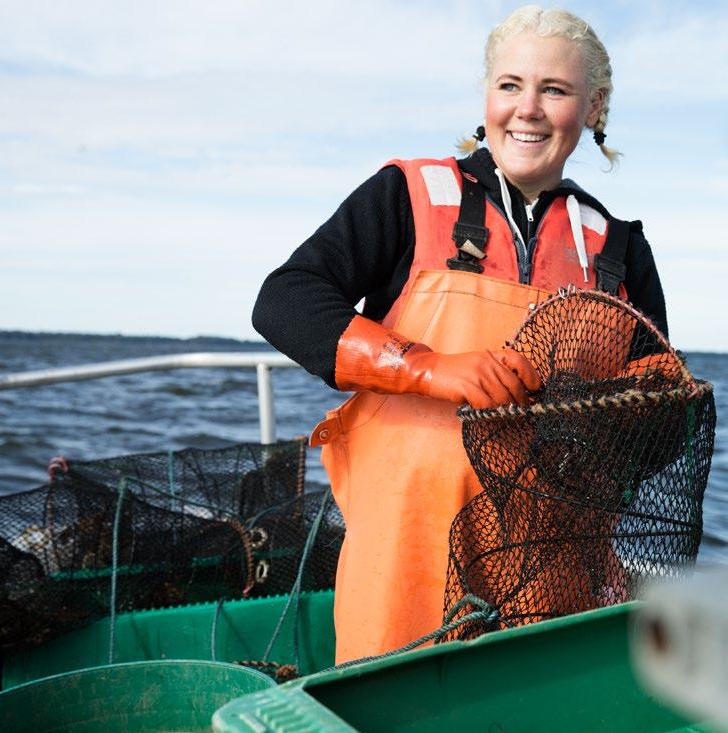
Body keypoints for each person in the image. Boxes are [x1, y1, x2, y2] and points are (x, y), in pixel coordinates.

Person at [252, 5, 667, 664]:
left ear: (592, 107)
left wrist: (635, 415)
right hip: (404, 554)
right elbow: (284, 301)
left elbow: (653, 436)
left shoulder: (616, 248)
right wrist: (423, 368)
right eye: (509, 85)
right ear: (486, 98)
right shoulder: (407, 193)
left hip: (550, 564)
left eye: (553, 90)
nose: (526, 108)